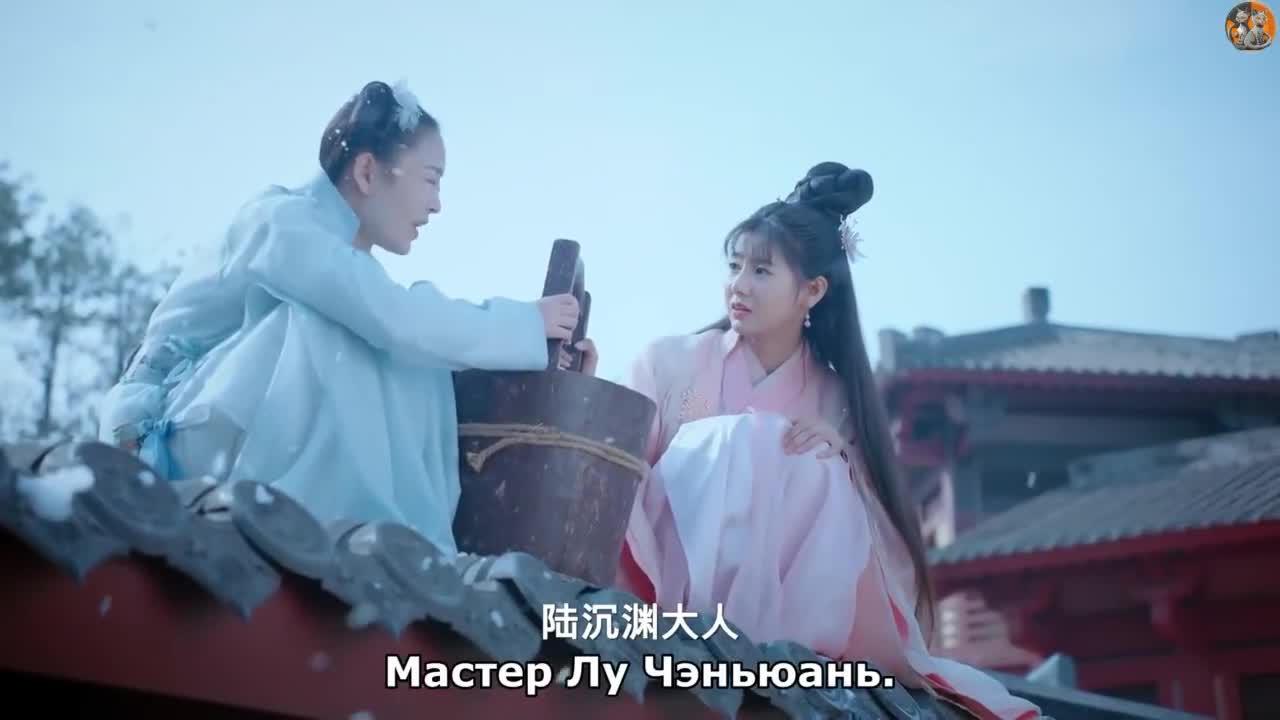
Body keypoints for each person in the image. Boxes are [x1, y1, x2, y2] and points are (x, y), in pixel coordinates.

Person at [576, 163, 1041, 720]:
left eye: (761, 270)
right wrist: (584, 389)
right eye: (734, 265)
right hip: (668, 589)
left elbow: (878, 548)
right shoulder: (670, 362)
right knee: (746, 440)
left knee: (805, 460)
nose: (739, 285)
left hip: (791, 626)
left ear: (812, 291)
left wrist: (840, 464)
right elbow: (613, 467)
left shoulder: (838, 400)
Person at [97, 80, 581, 554]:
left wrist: (541, 360)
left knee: (411, 351)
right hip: (164, 445)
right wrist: (525, 325)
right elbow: (396, 320)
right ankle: (361, 529)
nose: (437, 203)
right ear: (367, 171)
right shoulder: (282, 223)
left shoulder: (337, 256)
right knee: (346, 332)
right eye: (430, 179)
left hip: (226, 427)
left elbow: (404, 325)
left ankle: (397, 538)